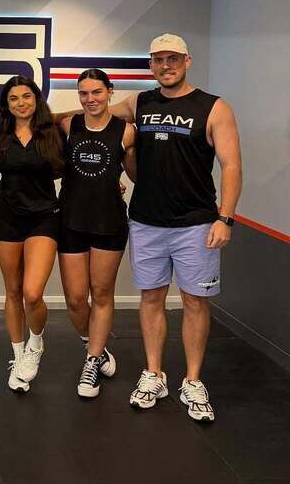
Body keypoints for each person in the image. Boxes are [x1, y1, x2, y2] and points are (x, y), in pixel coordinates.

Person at [111, 34, 242, 422]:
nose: (165, 65)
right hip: (147, 221)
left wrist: (225, 217)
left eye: (172, 58)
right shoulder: (140, 102)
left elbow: (232, 166)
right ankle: (154, 374)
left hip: (195, 223)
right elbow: (95, 114)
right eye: (158, 59)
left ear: (187, 61)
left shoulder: (213, 107)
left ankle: (193, 380)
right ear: (150, 65)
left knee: (194, 302)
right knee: (151, 298)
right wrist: (45, 118)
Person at [57, 69, 136, 399]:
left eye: (97, 92)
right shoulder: (69, 125)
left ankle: (92, 361)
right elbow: (40, 123)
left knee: (101, 294)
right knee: (76, 299)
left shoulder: (126, 131)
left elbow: (135, 174)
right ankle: (96, 347)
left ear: (110, 91)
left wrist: (119, 177)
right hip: (71, 220)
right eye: (84, 93)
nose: (90, 99)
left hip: (109, 221)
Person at [0, 75, 64, 392]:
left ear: (36, 99)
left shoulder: (53, 133)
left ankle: (35, 343)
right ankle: (18, 356)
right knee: (13, 291)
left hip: (43, 218)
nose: (21, 103)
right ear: (6, 105)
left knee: (32, 293)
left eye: (26, 96)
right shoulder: (0, 134)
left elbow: (74, 168)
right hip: (7, 218)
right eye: (14, 98)